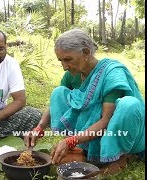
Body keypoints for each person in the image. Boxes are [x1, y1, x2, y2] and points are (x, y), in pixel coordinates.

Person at [24, 28, 145, 174]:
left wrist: (70, 141)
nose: (64, 66)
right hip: (90, 133)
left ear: (86, 53)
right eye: (61, 60)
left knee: (129, 104)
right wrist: (39, 127)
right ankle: (83, 148)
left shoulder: (112, 73)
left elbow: (106, 121)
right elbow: (55, 104)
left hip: (117, 131)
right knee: (59, 93)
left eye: (68, 59)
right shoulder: (72, 74)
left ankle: (121, 155)